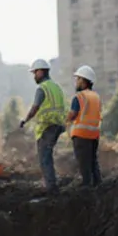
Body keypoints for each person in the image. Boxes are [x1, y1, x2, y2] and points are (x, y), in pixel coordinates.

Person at [19, 58, 67, 194]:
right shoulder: (56, 87)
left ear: (41, 71)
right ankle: (51, 183)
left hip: (47, 126)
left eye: (35, 73)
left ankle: (51, 188)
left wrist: (25, 120)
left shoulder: (42, 88)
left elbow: (35, 108)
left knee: (44, 157)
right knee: (48, 155)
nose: (34, 76)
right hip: (58, 124)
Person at [65, 64, 102, 187]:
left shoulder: (79, 97)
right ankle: (98, 187)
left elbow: (73, 114)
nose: (77, 82)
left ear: (84, 81)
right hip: (94, 135)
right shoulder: (96, 97)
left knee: (84, 166)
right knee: (93, 163)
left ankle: (87, 190)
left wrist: (64, 120)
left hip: (81, 136)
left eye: (78, 79)